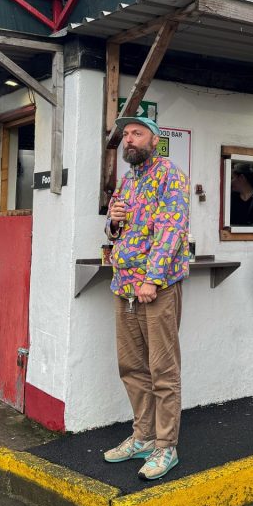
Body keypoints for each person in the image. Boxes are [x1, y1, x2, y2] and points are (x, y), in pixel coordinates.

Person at [102, 116, 190, 480]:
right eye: (126, 134)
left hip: (156, 288)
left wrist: (152, 279)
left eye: (137, 133)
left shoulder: (170, 175)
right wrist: (113, 221)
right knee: (132, 367)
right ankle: (143, 436)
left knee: (162, 371)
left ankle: (166, 446)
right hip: (124, 286)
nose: (129, 139)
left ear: (155, 140)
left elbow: (171, 230)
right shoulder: (128, 179)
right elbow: (116, 229)